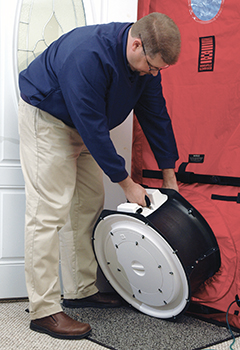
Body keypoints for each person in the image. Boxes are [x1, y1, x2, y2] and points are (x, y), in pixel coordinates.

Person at [18, 12, 181, 339]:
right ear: (136, 44)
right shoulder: (87, 54)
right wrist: (127, 184)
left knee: (88, 204)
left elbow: (156, 116)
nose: (154, 73)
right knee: (48, 212)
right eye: (153, 66)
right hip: (50, 118)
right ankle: (44, 310)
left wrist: (169, 175)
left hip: (88, 123)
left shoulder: (146, 67)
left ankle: (80, 289)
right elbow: (91, 126)